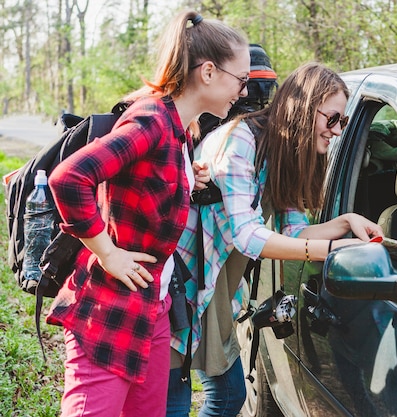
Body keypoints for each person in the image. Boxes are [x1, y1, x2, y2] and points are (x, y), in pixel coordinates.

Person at [45, 10, 249, 417]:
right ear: (208, 72)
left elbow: (143, 189)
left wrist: (190, 180)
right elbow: (69, 179)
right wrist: (108, 252)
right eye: (241, 80)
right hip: (108, 310)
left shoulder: (181, 128)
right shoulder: (152, 119)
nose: (243, 92)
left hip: (152, 312)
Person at [167, 62, 384, 416]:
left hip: (216, 285)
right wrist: (332, 249)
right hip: (183, 284)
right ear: (303, 108)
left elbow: (294, 234)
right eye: (332, 118)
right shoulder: (241, 140)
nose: (336, 131)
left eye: (342, 122)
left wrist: (346, 222)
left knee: (228, 397)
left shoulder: (287, 157)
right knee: (174, 403)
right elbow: (249, 235)